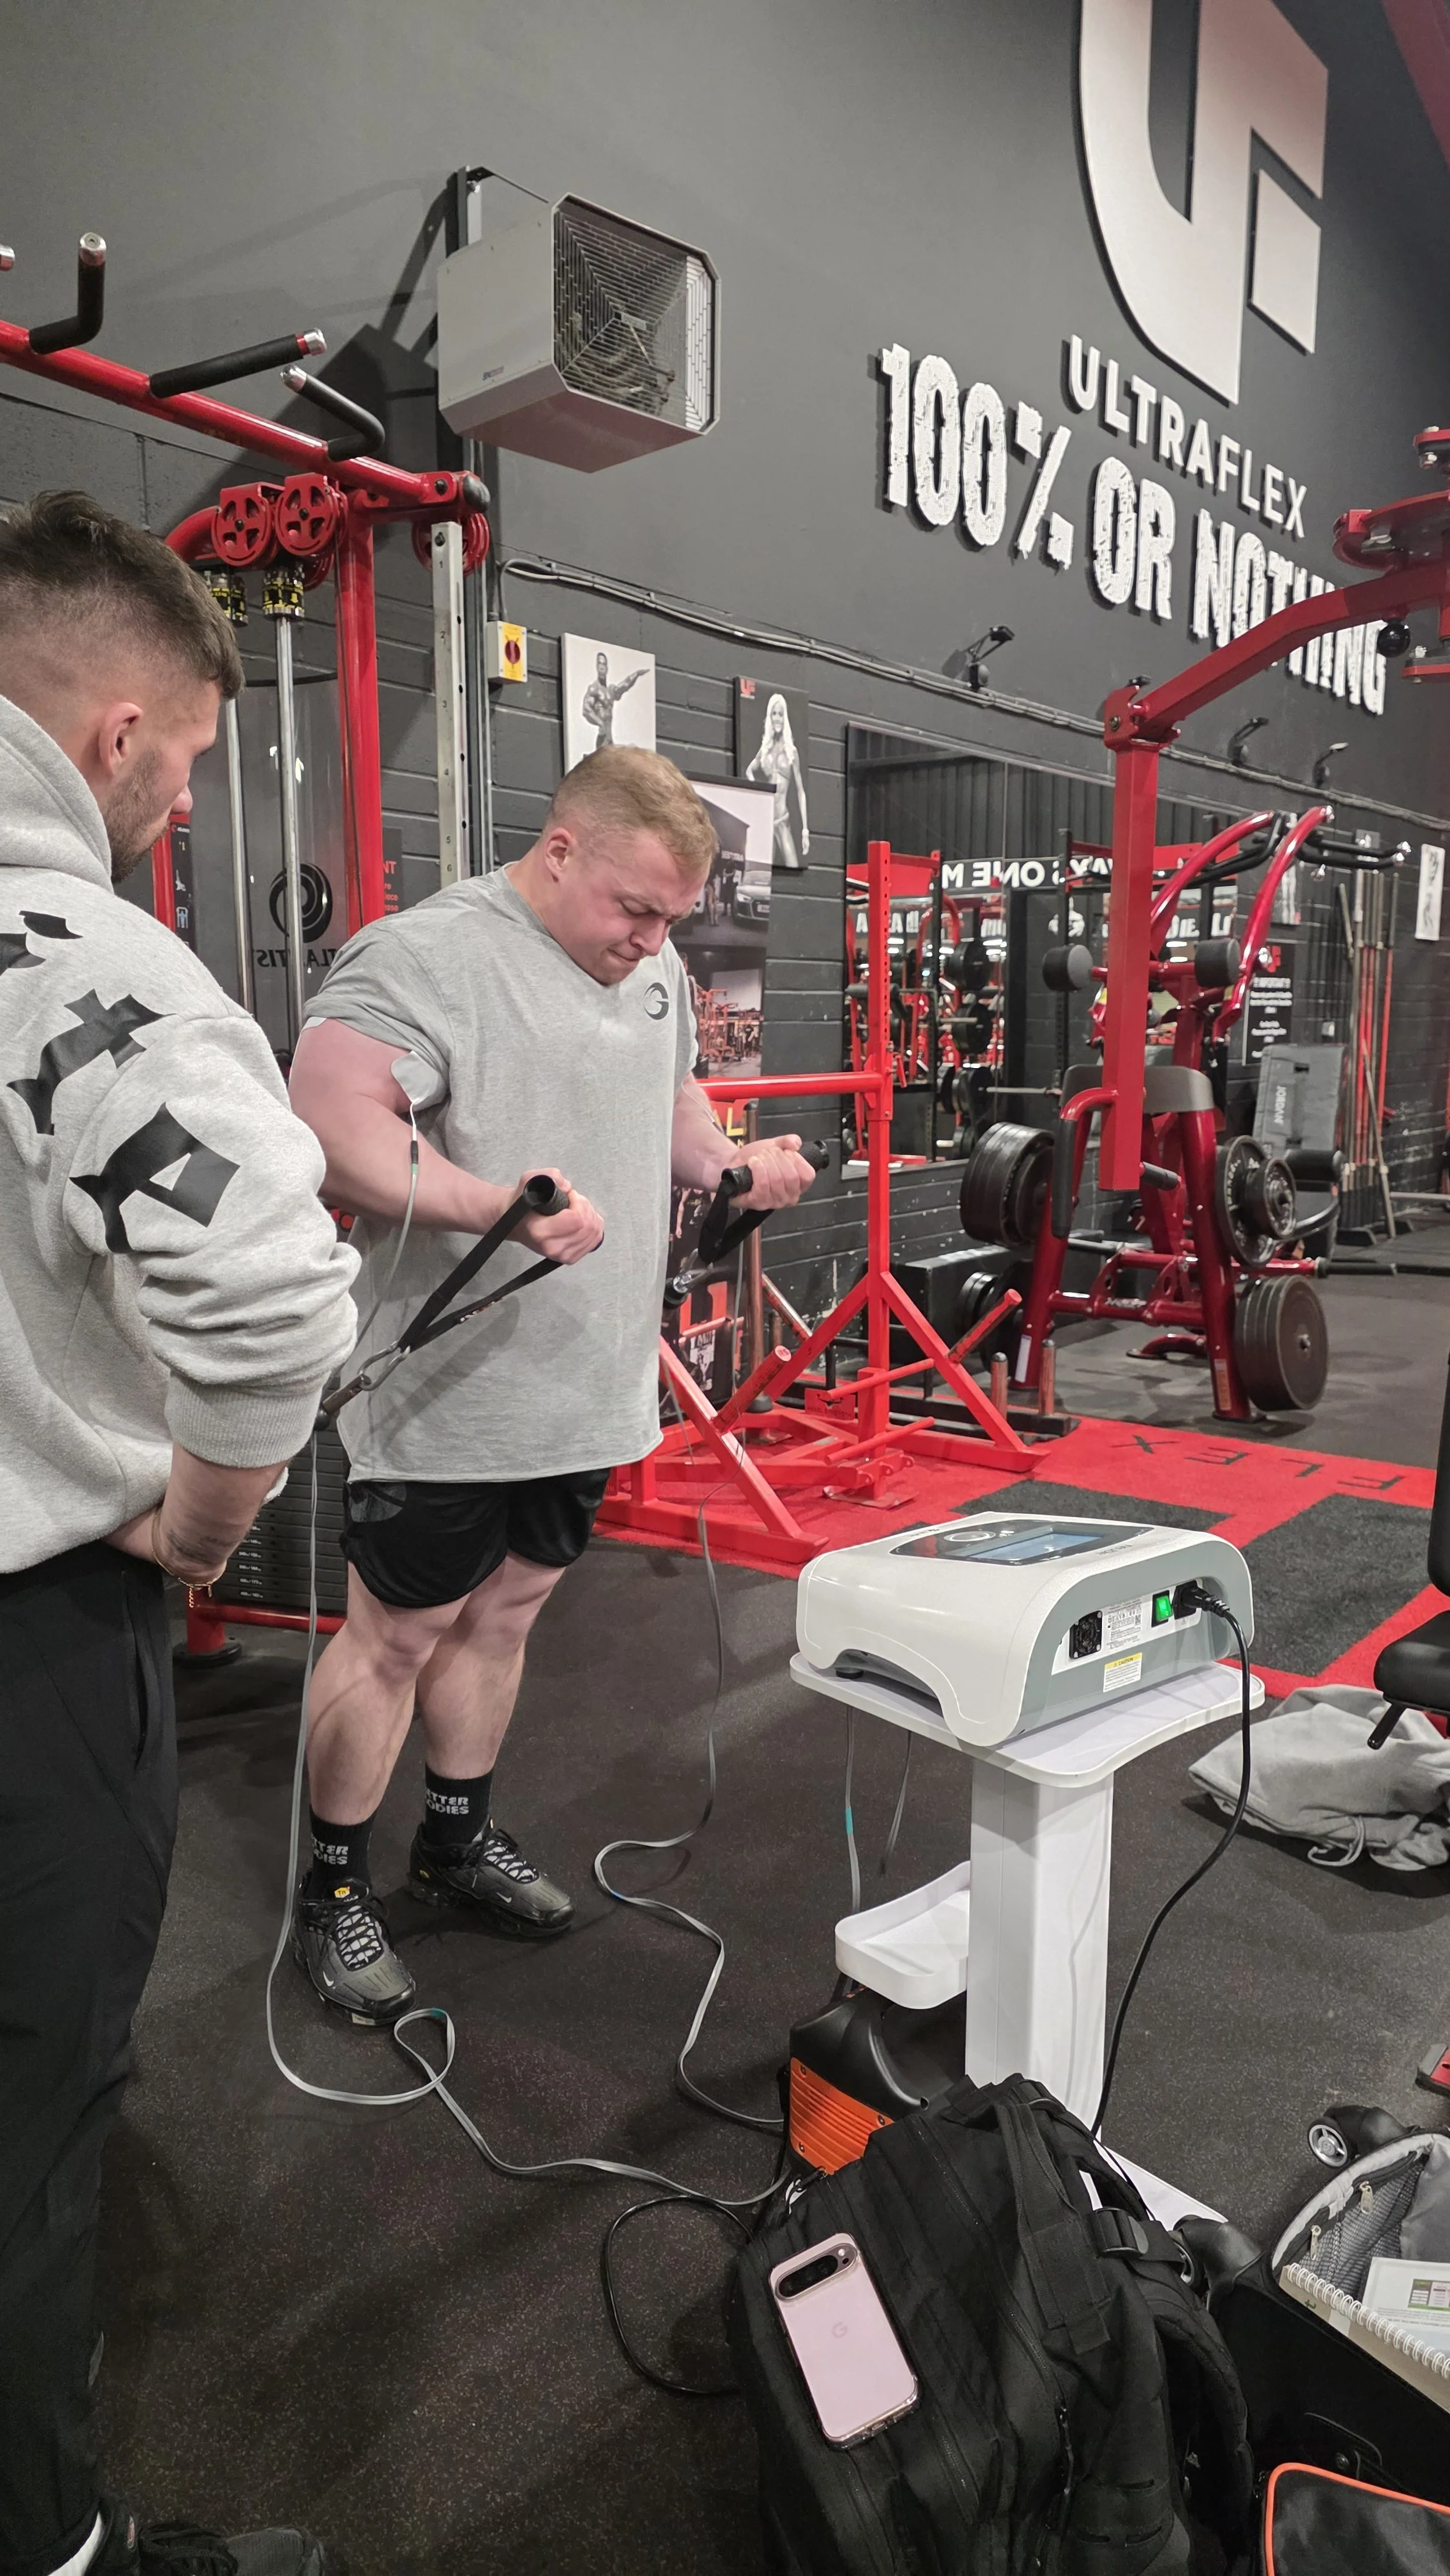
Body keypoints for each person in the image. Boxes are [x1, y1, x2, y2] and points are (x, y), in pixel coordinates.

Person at [0, 492, 360, 2576]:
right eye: (195, 770)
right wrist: (198, 1518)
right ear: (120, 735)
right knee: (28, 2124)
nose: (180, 807)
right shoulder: (71, 946)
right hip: (37, 1637)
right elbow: (273, 1290)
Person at [286, 746, 818, 2023]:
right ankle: (334, 1893)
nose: (648, 941)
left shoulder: (654, 968)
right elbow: (329, 1111)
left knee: (509, 1615)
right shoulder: (426, 955)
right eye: (632, 910)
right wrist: (491, 1205)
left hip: (583, 1383)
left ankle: (456, 1843)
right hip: (443, 1387)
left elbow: (670, 1102)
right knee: (395, 1637)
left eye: (672, 921)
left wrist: (729, 1165)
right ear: (560, 848)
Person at [746, 691, 810, 870]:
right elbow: (749, 771)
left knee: (793, 864)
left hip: (782, 820)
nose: (777, 718)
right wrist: (758, 793)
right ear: (770, 716)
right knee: (759, 874)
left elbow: (801, 791)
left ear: (785, 717)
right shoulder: (765, 749)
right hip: (766, 820)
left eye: (780, 714)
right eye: (774, 714)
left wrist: (805, 831)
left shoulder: (791, 752)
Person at [581, 646, 647, 749]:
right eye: (600, 664)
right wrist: (600, 723)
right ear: (596, 667)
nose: (602, 667)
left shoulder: (611, 690)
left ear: (607, 668)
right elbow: (586, 710)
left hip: (610, 738)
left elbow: (624, 686)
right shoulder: (594, 689)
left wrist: (637, 674)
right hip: (602, 737)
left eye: (604, 664)